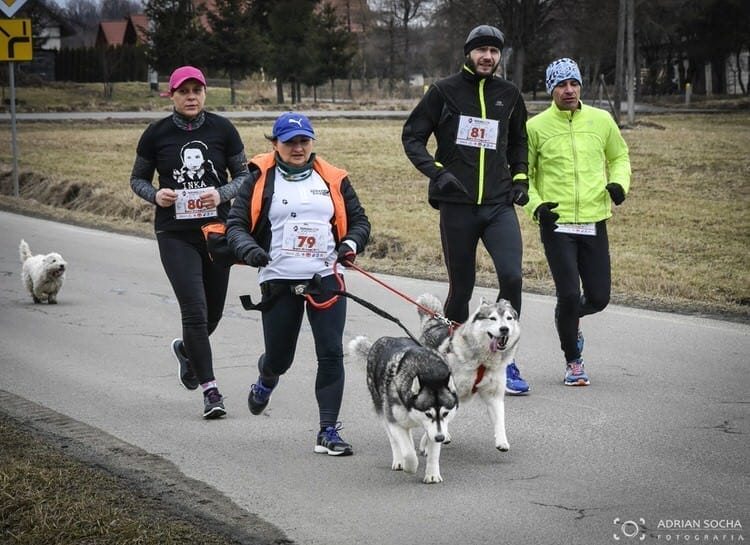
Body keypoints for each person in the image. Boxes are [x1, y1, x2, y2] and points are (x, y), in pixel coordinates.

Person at [225, 113, 370, 456]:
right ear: (275, 144)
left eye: (304, 141)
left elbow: (360, 221)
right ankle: (266, 379)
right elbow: (235, 225)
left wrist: (349, 245)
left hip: (326, 277)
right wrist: (250, 249)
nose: (298, 147)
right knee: (280, 358)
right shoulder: (259, 179)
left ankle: (328, 430)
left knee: (331, 352)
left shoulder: (332, 178)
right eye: (290, 141)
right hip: (278, 278)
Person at [401, 24, 531, 395]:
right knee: (462, 288)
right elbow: (412, 136)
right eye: (481, 51)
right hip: (457, 206)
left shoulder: (509, 94)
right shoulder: (444, 91)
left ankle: (507, 359)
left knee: (513, 277)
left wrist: (520, 179)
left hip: (497, 204)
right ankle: (447, 358)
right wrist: (436, 173)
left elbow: (520, 140)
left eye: (494, 51)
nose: (487, 57)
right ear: (468, 53)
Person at [129, 66, 250, 418]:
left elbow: (244, 176)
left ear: (205, 93)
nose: (191, 96)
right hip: (175, 234)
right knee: (194, 312)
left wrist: (220, 194)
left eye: (197, 90)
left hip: (217, 231)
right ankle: (211, 391)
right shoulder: (156, 134)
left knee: (212, 313)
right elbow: (137, 179)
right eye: (184, 91)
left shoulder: (223, 129)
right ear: (172, 95)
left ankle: (186, 350)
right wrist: (156, 195)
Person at [524, 57, 631, 386]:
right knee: (569, 294)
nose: (568, 90)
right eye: (561, 85)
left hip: (593, 220)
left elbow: (619, 156)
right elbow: (523, 176)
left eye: (573, 83)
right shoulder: (536, 127)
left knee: (598, 298)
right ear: (550, 89)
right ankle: (574, 362)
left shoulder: (601, 120)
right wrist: (537, 206)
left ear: (580, 86)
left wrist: (619, 184)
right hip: (556, 224)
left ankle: (567, 318)